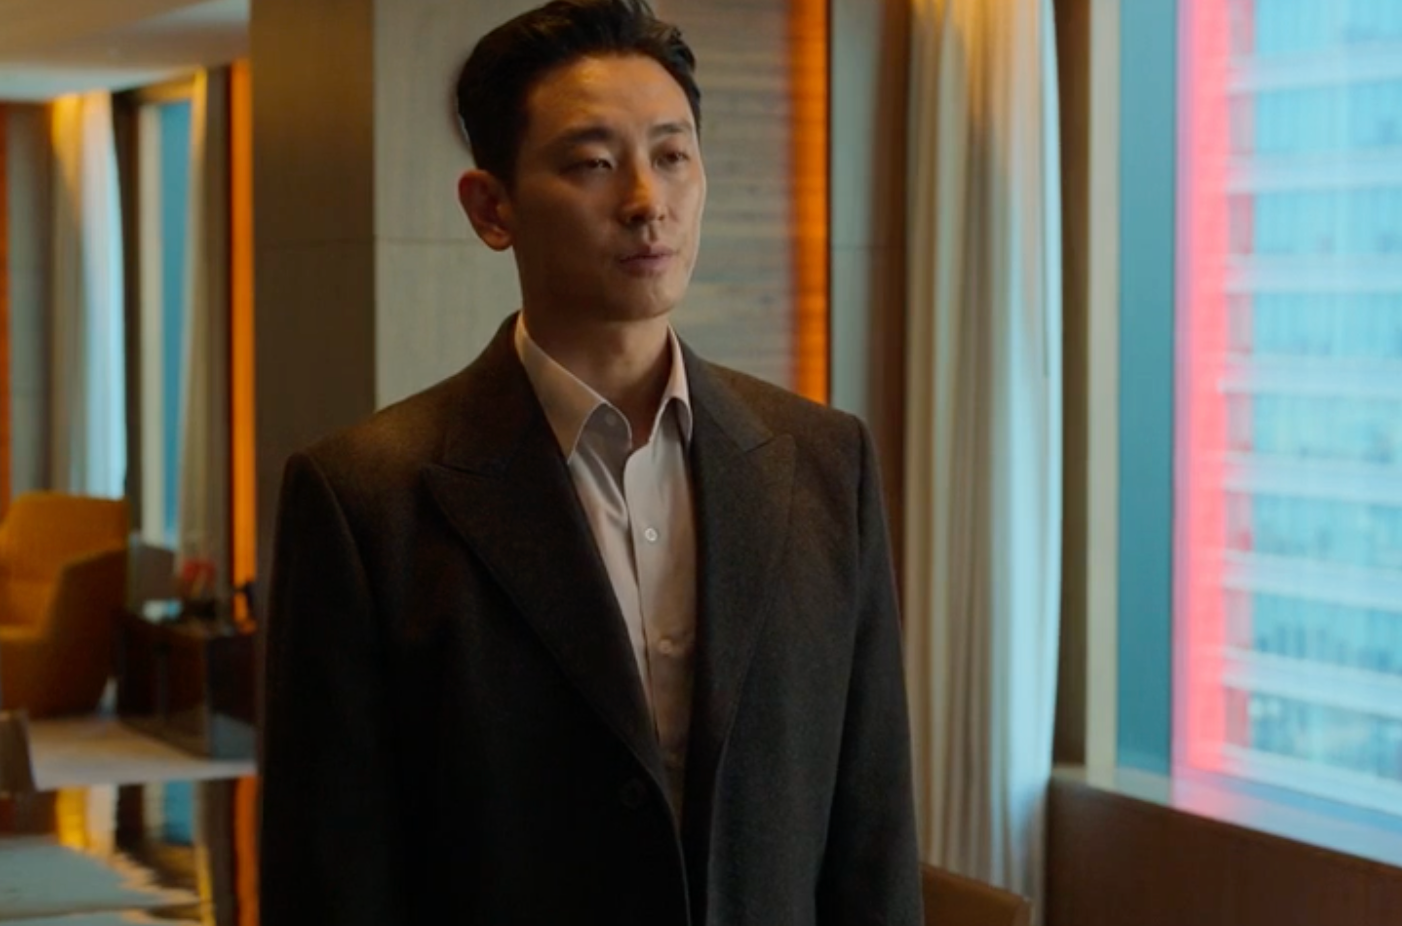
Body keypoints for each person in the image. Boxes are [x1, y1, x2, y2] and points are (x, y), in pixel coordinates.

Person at [257, 1, 923, 923]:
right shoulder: (366, 497)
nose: (647, 200)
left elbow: (871, 835)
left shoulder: (822, 462)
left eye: (673, 155)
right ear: (491, 208)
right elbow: (330, 873)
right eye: (593, 164)